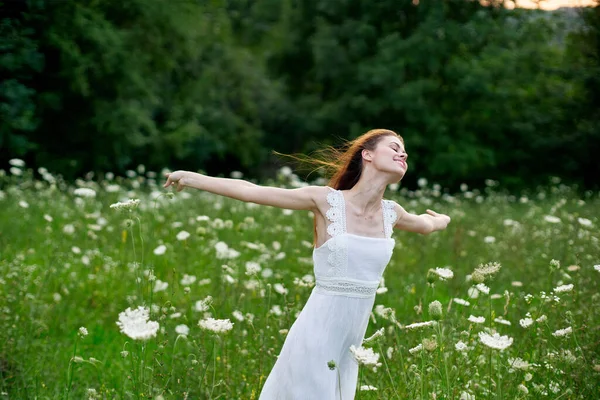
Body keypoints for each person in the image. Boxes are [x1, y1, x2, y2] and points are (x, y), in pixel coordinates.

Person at [163, 128, 451, 399]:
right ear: (368, 154)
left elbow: (425, 225)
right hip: (318, 330)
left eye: (405, 152)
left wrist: (442, 220)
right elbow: (253, 190)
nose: (404, 155)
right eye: (395, 148)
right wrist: (191, 178)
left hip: (351, 342)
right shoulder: (326, 200)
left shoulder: (392, 213)